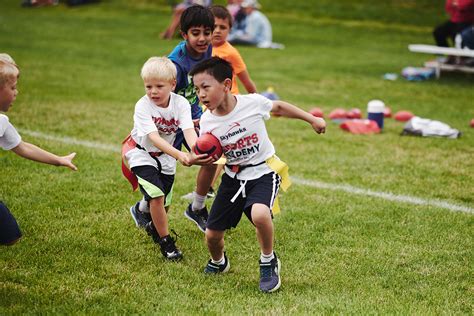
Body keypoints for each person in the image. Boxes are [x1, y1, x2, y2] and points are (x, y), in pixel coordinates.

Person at [189, 57, 326, 292]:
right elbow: (212, 154)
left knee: (261, 214)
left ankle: (268, 260)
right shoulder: (207, 121)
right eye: (196, 89)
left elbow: (280, 107)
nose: (200, 94)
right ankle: (219, 262)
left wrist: (312, 119)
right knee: (212, 235)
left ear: (226, 84)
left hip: (263, 171)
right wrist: (199, 158)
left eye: (205, 87)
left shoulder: (252, 103)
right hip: (233, 178)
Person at [123, 57, 212, 260]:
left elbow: (188, 130)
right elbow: (153, 137)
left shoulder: (181, 103)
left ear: (173, 84)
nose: (153, 91)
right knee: (157, 195)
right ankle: (166, 242)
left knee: (164, 203)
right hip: (141, 153)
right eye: (148, 86)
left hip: (165, 158)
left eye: (159, 86)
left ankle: (143, 213)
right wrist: (180, 154)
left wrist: (196, 150)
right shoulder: (143, 106)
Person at [0, 54, 77, 246]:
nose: (16, 93)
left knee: (11, 237)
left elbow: (23, 147)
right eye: (13, 88)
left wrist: (59, 160)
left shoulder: (2, 122)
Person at [167, 4, 217, 233]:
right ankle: (146, 209)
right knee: (164, 172)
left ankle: (196, 208)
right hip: (171, 121)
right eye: (196, 33)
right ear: (184, 34)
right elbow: (162, 99)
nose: (202, 38)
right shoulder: (176, 65)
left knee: (211, 158)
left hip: (194, 118)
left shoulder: (209, 50)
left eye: (207, 32)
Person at [207, 4, 257, 196]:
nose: (218, 31)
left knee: (221, 147)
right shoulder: (203, 49)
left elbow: (246, 80)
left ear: (230, 29)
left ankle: (208, 188)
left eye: (223, 27)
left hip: (229, 106)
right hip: (208, 107)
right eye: (214, 27)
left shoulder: (231, 53)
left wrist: (256, 102)